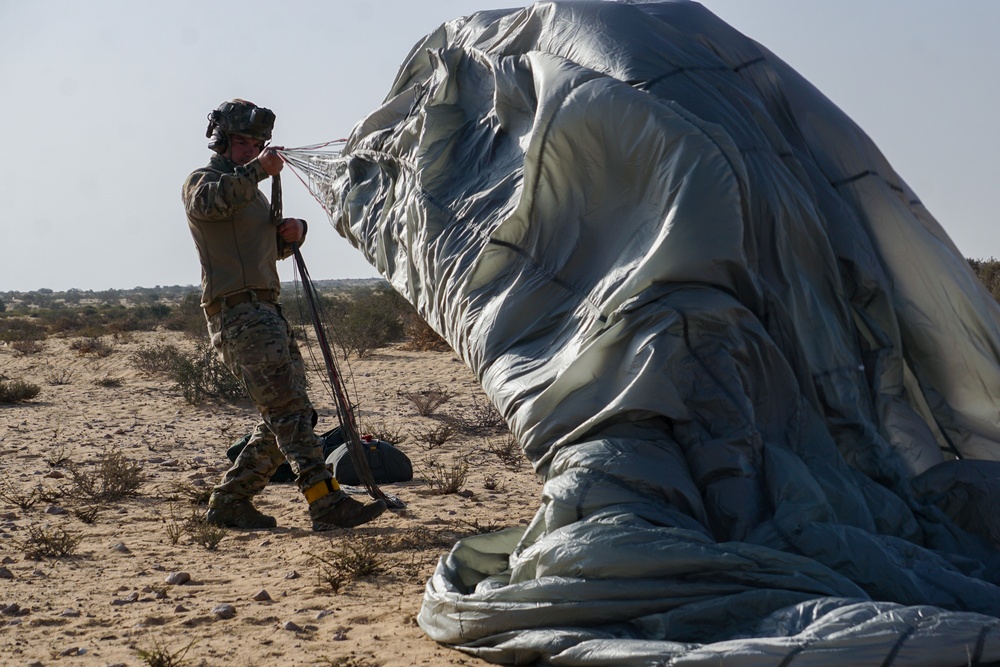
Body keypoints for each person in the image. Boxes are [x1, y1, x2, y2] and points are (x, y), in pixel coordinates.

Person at [181, 99, 387, 530]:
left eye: (257, 144)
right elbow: (210, 204)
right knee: (290, 413)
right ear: (222, 142)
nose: (251, 151)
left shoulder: (253, 192)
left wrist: (296, 233)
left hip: (266, 313)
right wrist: (258, 170)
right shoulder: (206, 181)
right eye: (243, 143)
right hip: (239, 316)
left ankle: (230, 502)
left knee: (292, 415)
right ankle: (325, 504)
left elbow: (271, 250)